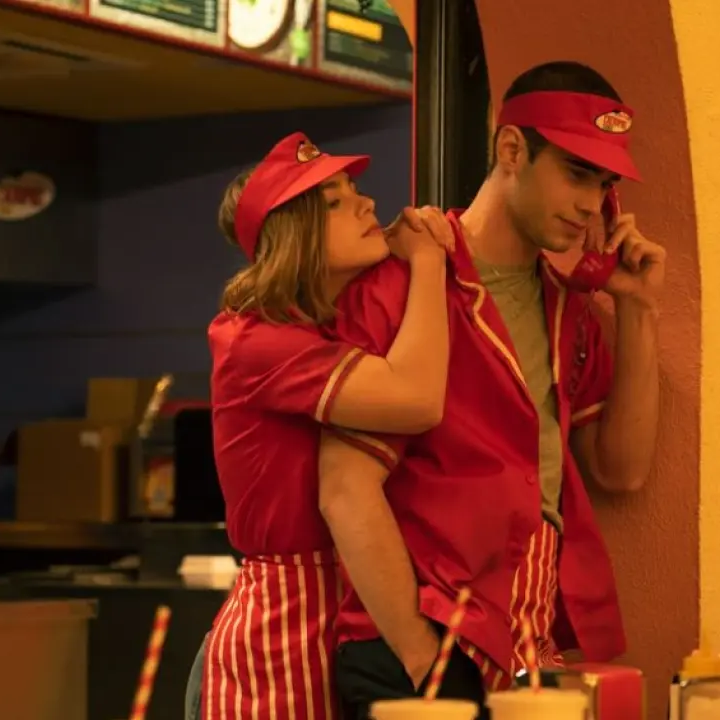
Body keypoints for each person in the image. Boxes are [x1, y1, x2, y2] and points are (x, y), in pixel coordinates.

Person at [321, 61, 663, 719]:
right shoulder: (402, 280)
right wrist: (420, 656)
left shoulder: (571, 313)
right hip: (421, 644)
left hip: (526, 646)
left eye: (604, 184)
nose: (591, 204)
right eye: (576, 173)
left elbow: (622, 469)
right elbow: (344, 486)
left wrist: (639, 308)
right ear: (511, 150)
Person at [199, 131, 456, 720]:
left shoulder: (324, 324)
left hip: (352, 602)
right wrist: (427, 262)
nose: (368, 204)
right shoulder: (252, 339)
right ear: (294, 235)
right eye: (336, 201)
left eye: (355, 190)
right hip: (283, 625)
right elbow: (417, 400)